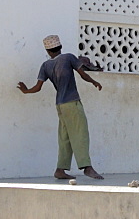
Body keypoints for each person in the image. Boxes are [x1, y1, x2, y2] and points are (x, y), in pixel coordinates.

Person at [16, 34, 104, 180]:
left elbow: (37, 87)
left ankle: (60, 169)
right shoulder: (68, 57)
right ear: (60, 47)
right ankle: (87, 167)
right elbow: (83, 74)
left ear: (48, 51)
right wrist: (94, 82)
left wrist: (26, 90)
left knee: (65, 137)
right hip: (72, 102)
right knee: (80, 134)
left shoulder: (45, 66)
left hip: (60, 105)